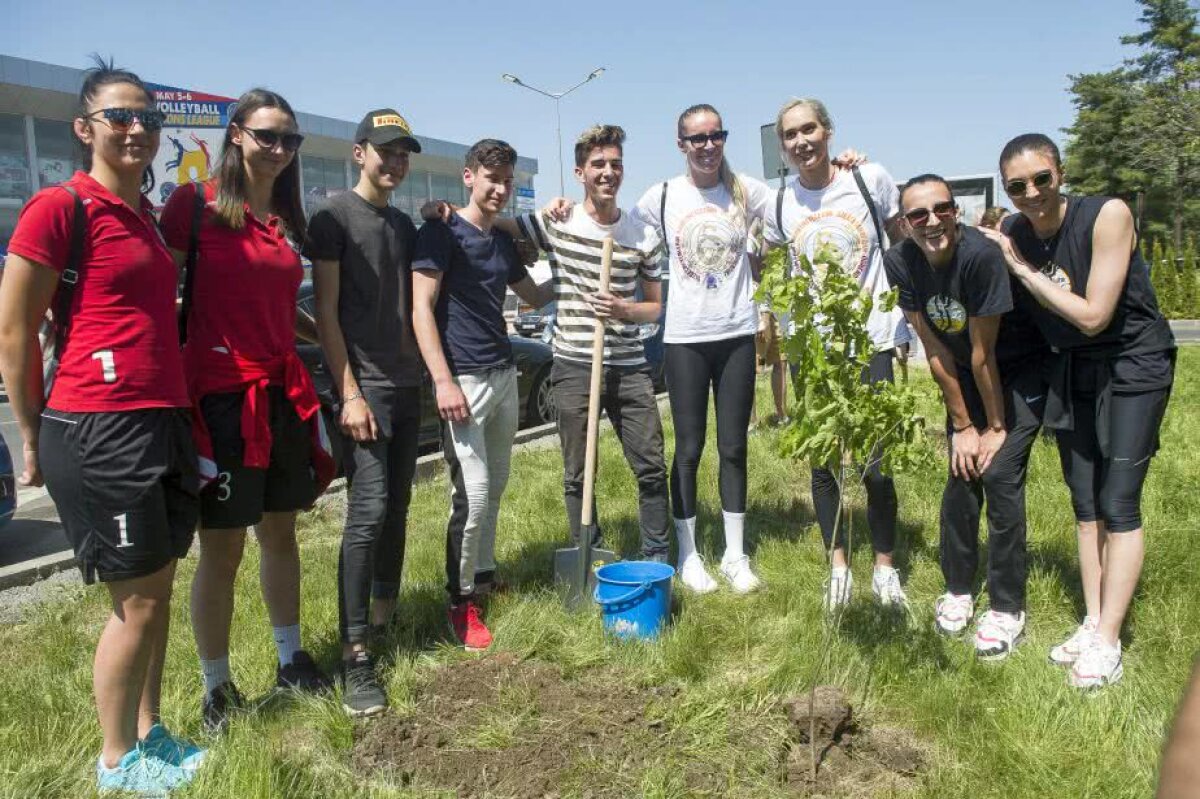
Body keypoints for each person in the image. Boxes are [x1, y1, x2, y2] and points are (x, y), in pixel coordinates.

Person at [0, 58, 204, 794]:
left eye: (147, 117)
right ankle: (117, 762)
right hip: (97, 425)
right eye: (120, 116)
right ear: (84, 128)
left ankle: (151, 734)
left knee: (157, 586)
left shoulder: (145, 216)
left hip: (159, 419)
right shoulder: (61, 209)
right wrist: (30, 433)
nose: (136, 129)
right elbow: (16, 332)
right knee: (137, 600)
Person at [160, 88, 335, 732]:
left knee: (281, 532)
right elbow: (159, 290)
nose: (280, 149)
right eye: (268, 136)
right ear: (236, 135)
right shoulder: (197, 204)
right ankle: (217, 687)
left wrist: (333, 342)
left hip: (283, 391)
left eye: (291, 139)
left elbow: (280, 308)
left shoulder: (286, 221)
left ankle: (290, 658)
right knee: (223, 546)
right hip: (223, 399)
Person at [979, 132, 1175, 689]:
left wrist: (1019, 266)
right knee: (1084, 501)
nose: (1032, 192)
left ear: (1059, 173)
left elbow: (1093, 316)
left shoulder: (1106, 215)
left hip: (1132, 362)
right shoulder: (1015, 229)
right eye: (1017, 186)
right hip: (1073, 367)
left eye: (1041, 178)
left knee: (1118, 501)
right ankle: (1093, 621)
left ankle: (1110, 641)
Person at [883, 174, 1048, 659]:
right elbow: (933, 346)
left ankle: (1006, 606)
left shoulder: (979, 256)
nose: (933, 221)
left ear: (956, 211)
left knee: (998, 474)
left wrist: (993, 428)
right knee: (961, 474)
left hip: (1017, 374)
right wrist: (961, 426)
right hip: (967, 376)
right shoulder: (902, 261)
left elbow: (983, 355)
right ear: (906, 223)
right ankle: (957, 589)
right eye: (919, 214)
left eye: (943, 209)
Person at [765, 97, 913, 610]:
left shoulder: (869, 180)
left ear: (828, 132)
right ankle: (839, 569)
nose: (801, 141)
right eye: (791, 134)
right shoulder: (780, 204)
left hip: (869, 337)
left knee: (876, 462)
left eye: (810, 129)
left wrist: (907, 323)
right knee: (823, 463)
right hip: (815, 351)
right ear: (782, 145)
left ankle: (885, 569)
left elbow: (905, 239)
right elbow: (767, 262)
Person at [303, 108, 423, 717]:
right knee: (368, 511)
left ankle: (384, 615)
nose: (395, 162)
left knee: (398, 506)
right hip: (365, 390)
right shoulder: (332, 218)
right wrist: (347, 392)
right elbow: (325, 313)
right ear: (359, 153)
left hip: (408, 385)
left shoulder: (403, 223)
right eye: (385, 151)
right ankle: (353, 653)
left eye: (404, 153)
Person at [412, 139, 552, 650]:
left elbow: (533, 295)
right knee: (469, 496)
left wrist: (574, 271)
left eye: (507, 181)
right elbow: (421, 308)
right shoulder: (439, 230)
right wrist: (443, 380)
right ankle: (459, 601)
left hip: (503, 373)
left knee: (494, 489)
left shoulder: (499, 242)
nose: (500, 188)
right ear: (468, 176)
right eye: (490, 178)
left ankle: (486, 579)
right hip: (463, 382)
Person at [628, 104, 773, 594]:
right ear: (681, 145)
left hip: (735, 335)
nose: (708, 146)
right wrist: (567, 209)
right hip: (686, 338)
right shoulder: (663, 195)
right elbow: (616, 226)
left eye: (716, 136)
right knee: (688, 449)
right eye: (697, 139)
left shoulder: (746, 191)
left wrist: (840, 168)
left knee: (733, 447)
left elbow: (797, 203)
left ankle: (735, 553)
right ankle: (689, 556)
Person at [512, 125, 669, 563]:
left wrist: (622, 309)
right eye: (598, 164)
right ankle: (589, 551)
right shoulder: (558, 222)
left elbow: (654, 308)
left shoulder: (642, 234)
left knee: (651, 465)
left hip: (629, 366)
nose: (608, 172)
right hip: (574, 364)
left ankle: (656, 555)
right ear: (580, 172)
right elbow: (498, 225)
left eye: (615, 164)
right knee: (578, 472)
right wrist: (445, 212)